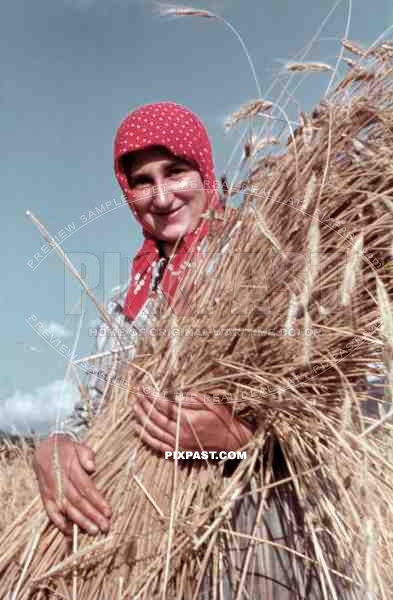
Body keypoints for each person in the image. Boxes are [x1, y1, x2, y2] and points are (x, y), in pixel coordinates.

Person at [33, 101, 360, 598]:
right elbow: (95, 411)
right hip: (146, 556)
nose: (161, 196)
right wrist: (56, 447)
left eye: (176, 171)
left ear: (204, 170)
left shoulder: (273, 263)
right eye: (142, 180)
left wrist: (247, 436)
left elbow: (354, 406)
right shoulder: (127, 303)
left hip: (264, 544)